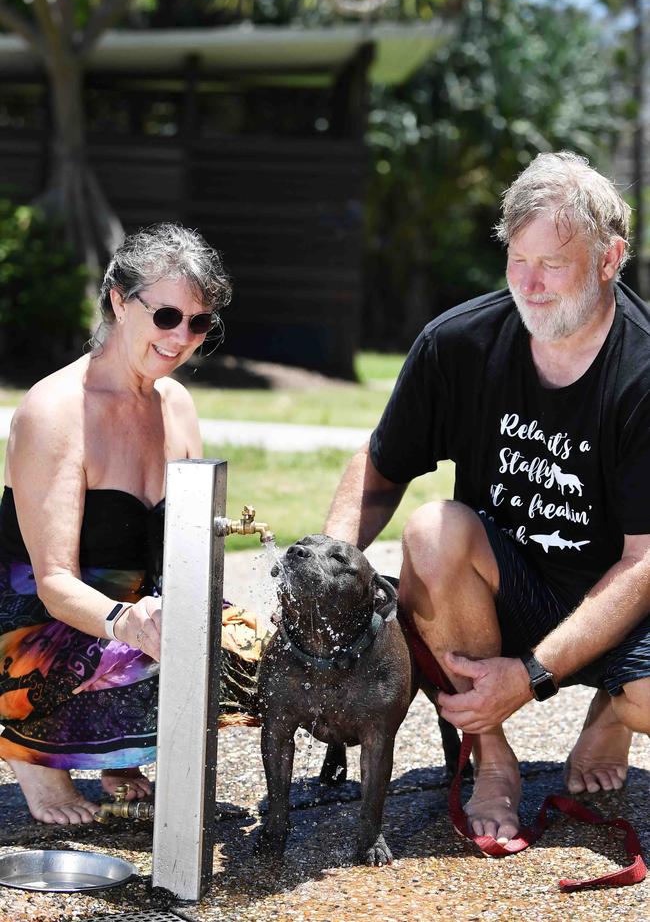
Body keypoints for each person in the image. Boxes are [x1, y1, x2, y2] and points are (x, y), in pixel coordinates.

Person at [324, 152, 650, 845]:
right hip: (509, 588)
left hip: (624, 595)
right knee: (432, 529)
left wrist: (532, 675)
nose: (529, 285)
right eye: (516, 261)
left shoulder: (644, 372)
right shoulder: (459, 344)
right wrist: (330, 569)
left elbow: (644, 562)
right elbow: (379, 467)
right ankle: (491, 759)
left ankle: (612, 713)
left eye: (553, 264)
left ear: (609, 258)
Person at [0, 223, 267, 825]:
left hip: (139, 609)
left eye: (199, 324)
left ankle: (121, 757)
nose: (181, 337)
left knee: (259, 654)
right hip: (45, 620)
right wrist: (128, 622)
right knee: (137, 650)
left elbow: (188, 544)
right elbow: (52, 581)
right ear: (120, 301)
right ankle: (33, 753)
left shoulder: (175, 403)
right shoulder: (55, 410)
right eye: (167, 315)